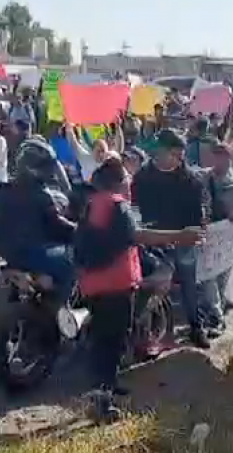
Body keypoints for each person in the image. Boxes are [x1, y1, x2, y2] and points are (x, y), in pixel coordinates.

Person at [75, 158, 204, 418]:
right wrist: (181, 236)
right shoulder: (118, 206)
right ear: (118, 182)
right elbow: (139, 236)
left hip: (95, 284)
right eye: (126, 178)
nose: (130, 182)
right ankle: (102, 402)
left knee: (105, 340)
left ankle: (109, 386)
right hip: (115, 285)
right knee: (111, 342)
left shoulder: (93, 205)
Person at [132, 129, 211, 349]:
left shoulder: (191, 179)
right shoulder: (142, 176)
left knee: (189, 284)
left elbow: (202, 210)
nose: (179, 159)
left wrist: (197, 230)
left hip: (183, 239)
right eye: (174, 153)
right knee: (147, 283)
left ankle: (196, 327)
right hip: (152, 238)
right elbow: (135, 207)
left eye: (179, 154)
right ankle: (141, 330)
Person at [0, 138, 76, 302]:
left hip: (4, 248)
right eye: (45, 167)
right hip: (33, 250)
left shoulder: (4, 189)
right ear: (31, 167)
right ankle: (64, 311)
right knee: (72, 264)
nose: (49, 171)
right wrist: (78, 229)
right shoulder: (40, 194)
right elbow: (57, 225)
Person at [198, 142, 233, 337]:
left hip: (228, 235)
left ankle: (218, 311)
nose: (220, 161)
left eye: (223, 156)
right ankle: (216, 316)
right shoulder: (203, 178)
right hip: (209, 233)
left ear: (230, 158)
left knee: (223, 276)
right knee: (208, 275)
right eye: (216, 156)